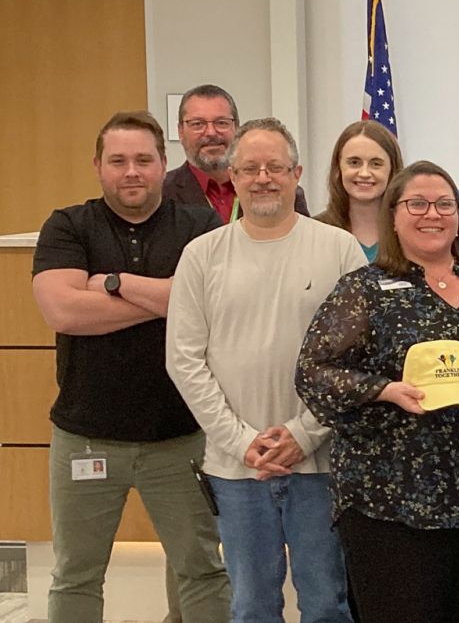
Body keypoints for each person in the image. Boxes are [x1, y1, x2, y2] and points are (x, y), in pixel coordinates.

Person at [297, 160, 459, 622]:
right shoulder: (363, 290)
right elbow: (314, 373)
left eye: (445, 204)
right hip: (390, 504)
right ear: (393, 215)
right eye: (418, 204)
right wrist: (385, 390)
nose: (433, 213)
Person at [30, 111, 231, 621]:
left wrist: (113, 283)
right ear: (98, 166)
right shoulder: (69, 225)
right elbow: (64, 311)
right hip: (87, 435)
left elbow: (213, 304)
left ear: (164, 164)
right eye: (118, 161)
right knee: (76, 574)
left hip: (182, 435)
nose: (132, 171)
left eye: (144, 159)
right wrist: (170, 297)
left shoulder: (200, 223)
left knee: (201, 570)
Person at [166, 118, 365, 622]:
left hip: (319, 464)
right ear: (232, 175)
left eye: (275, 167)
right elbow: (184, 361)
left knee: (325, 602)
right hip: (237, 469)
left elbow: (360, 356)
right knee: (252, 604)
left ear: (297, 173)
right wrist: (241, 441)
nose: (263, 178)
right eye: (250, 168)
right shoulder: (201, 256)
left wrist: (305, 433)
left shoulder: (338, 248)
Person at [163, 83, 309, 222]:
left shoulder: (284, 192)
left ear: (237, 128)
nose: (211, 132)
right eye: (197, 124)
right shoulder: (163, 194)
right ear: (180, 132)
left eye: (221, 122)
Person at [314, 120, 403, 262]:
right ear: (338, 169)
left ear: (392, 170)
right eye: (354, 162)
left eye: (376, 164)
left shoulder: (409, 232)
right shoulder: (314, 233)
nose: (364, 173)